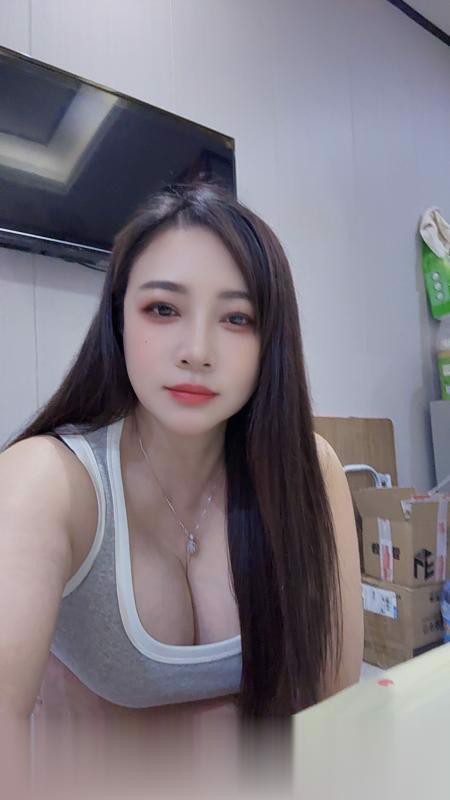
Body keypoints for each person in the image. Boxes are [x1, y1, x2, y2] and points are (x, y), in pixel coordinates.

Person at [0, 182, 363, 792]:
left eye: (237, 318)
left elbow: (332, 711)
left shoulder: (307, 471)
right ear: (118, 319)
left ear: (270, 339)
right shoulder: (47, 480)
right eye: (163, 309)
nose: (197, 351)